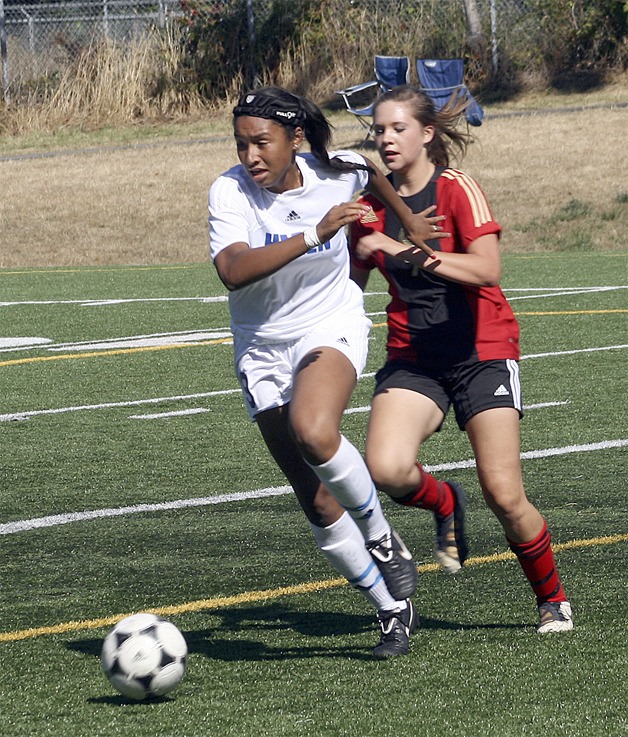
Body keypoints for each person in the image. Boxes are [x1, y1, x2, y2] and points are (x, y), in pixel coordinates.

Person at [207, 86, 447, 656]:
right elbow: (234, 271)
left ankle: (383, 539)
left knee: (314, 428)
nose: (250, 157)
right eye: (241, 144)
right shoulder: (229, 190)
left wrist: (409, 220)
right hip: (262, 347)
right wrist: (315, 231)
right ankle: (391, 608)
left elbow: (368, 172)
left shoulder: (332, 173)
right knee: (314, 498)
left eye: (261, 143)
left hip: (328, 324)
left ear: (295, 140)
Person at [349, 84, 573, 634]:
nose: (387, 139)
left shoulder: (456, 189)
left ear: (427, 134)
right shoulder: (370, 209)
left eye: (398, 128)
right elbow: (350, 286)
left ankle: (552, 598)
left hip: (482, 351)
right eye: (379, 130)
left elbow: (486, 269)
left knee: (504, 492)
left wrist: (397, 250)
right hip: (414, 355)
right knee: (387, 468)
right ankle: (445, 499)